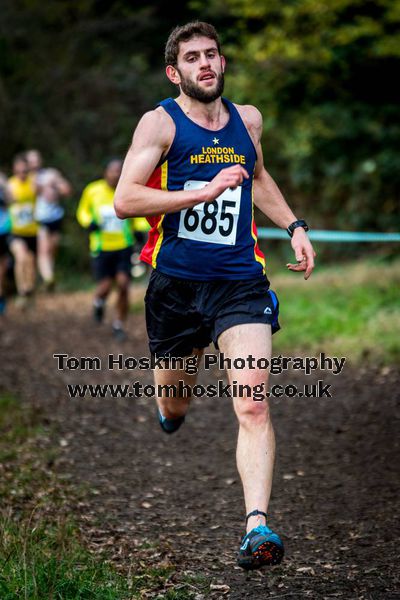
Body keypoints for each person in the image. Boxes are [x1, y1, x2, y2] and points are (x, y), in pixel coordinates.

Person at [114, 22, 316, 570]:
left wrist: (294, 225)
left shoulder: (247, 120)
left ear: (222, 63)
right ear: (173, 71)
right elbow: (125, 199)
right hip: (175, 288)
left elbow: (259, 176)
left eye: (211, 54)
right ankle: (170, 411)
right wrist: (200, 191)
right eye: (192, 57)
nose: (204, 64)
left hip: (239, 283)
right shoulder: (160, 123)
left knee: (252, 402)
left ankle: (257, 526)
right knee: (175, 398)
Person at [77, 159, 135, 341]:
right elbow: (82, 211)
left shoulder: (128, 189)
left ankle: (119, 325)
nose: (116, 174)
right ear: (105, 172)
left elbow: (139, 212)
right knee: (104, 287)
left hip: (124, 246)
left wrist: (141, 229)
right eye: (113, 171)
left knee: (124, 284)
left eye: (119, 171)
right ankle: (98, 302)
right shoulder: (92, 190)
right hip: (101, 247)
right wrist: (89, 223)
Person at [26, 149, 72, 291]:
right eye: (31, 161)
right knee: (43, 251)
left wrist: (54, 187)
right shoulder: (24, 178)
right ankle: (48, 278)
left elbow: (66, 190)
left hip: (55, 217)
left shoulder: (51, 174)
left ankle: (48, 277)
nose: (34, 164)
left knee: (52, 250)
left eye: (36, 160)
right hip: (40, 219)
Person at [8, 155, 38, 308]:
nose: (22, 173)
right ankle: (22, 290)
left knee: (31, 263)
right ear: (14, 170)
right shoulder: (9, 185)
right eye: (19, 171)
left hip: (32, 231)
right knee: (21, 258)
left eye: (24, 170)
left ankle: (29, 290)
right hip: (16, 231)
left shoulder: (34, 183)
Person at [0, 173, 12, 315]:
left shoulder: (2, 180)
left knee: (2, 268)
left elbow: (12, 200)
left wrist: (4, 186)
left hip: (3, 229)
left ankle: (1, 296)